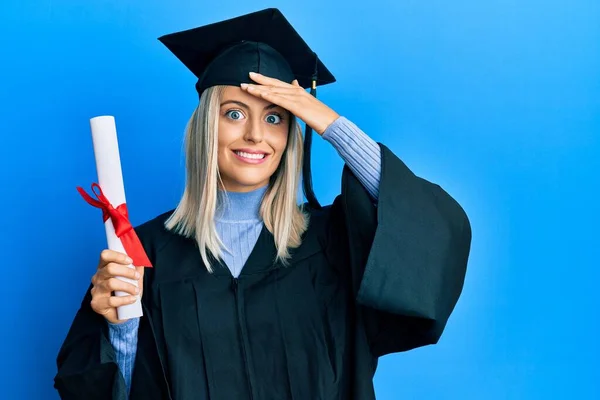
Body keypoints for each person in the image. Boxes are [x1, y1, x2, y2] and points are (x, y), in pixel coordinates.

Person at [54, 8, 472, 400]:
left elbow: (425, 226)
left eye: (276, 117)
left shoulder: (332, 240)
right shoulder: (145, 254)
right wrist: (122, 330)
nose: (256, 134)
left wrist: (330, 124)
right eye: (234, 114)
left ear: (292, 134)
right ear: (205, 128)